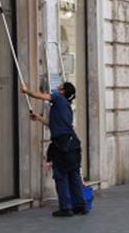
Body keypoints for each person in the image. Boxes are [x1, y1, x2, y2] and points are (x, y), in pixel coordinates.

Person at [21, 82, 89, 217]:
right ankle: (81, 206)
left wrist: (26, 91)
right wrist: (39, 118)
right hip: (72, 143)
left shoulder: (58, 99)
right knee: (74, 175)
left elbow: (38, 96)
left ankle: (66, 207)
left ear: (63, 92)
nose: (57, 88)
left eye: (60, 87)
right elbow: (54, 125)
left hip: (62, 145)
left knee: (61, 176)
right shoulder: (66, 106)